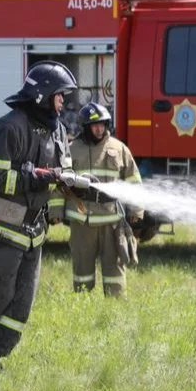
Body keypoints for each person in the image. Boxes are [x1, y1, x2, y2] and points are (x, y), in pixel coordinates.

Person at [0, 60, 77, 372]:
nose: (63, 101)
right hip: (1, 225)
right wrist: (34, 177)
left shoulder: (57, 130)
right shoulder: (10, 126)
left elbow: (61, 168)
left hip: (32, 230)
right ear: (43, 94)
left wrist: (72, 182)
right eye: (59, 95)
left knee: (22, 301)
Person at [62, 102, 143, 296]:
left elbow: (133, 180)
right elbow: (60, 184)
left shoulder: (120, 149)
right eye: (95, 125)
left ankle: (115, 306)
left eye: (103, 124)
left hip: (111, 222)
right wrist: (56, 211)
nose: (99, 128)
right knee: (82, 269)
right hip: (82, 221)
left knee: (114, 268)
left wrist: (136, 210)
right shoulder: (72, 150)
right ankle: (83, 305)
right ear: (86, 127)